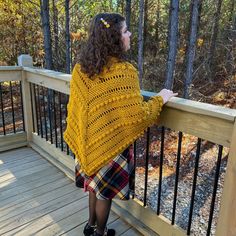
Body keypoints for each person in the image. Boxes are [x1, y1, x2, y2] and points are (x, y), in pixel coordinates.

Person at [64, 13, 177, 236]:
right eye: (125, 31)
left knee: (94, 188)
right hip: (111, 146)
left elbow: (78, 108)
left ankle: (90, 226)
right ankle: (100, 232)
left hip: (88, 142)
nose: (129, 34)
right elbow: (139, 117)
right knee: (104, 193)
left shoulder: (81, 69)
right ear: (114, 38)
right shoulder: (124, 73)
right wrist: (160, 99)